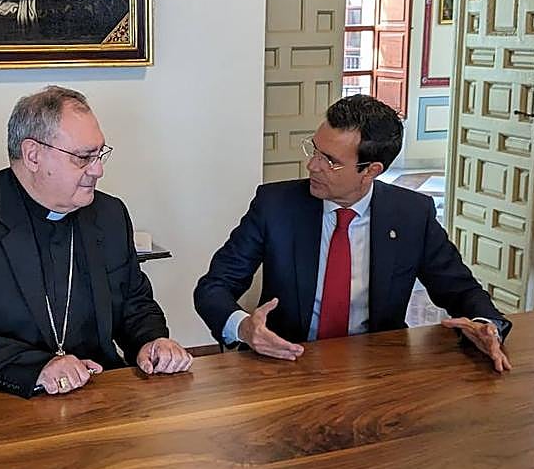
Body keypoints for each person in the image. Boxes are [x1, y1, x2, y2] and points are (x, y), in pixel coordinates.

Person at [0, 86, 192, 397]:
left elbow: (134, 304)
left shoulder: (109, 214)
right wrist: (36, 368)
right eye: (83, 158)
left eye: (99, 154)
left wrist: (151, 341)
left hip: (91, 396)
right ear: (33, 155)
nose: (98, 170)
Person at [194, 95, 513, 372]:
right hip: (286, 362)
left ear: (371, 170)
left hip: (378, 369)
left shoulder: (412, 215)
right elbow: (213, 287)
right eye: (315, 151)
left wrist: (486, 325)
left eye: (329, 161)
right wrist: (243, 326)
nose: (312, 165)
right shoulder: (276, 206)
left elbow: (460, 289)